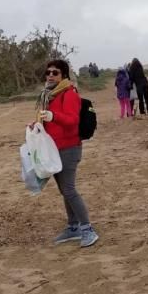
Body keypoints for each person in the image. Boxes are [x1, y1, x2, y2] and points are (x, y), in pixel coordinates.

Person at [39, 59, 99, 247]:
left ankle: (87, 229)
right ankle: (73, 227)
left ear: (63, 75)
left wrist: (53, 116)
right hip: (54, 148)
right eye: (48, 72)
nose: (50, 75)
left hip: (69, 148)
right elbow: (50, 122)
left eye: (55, 72)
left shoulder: (69, 93)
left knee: (69, 190)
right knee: (64, 191)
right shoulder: (50, 95)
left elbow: (72, 120)